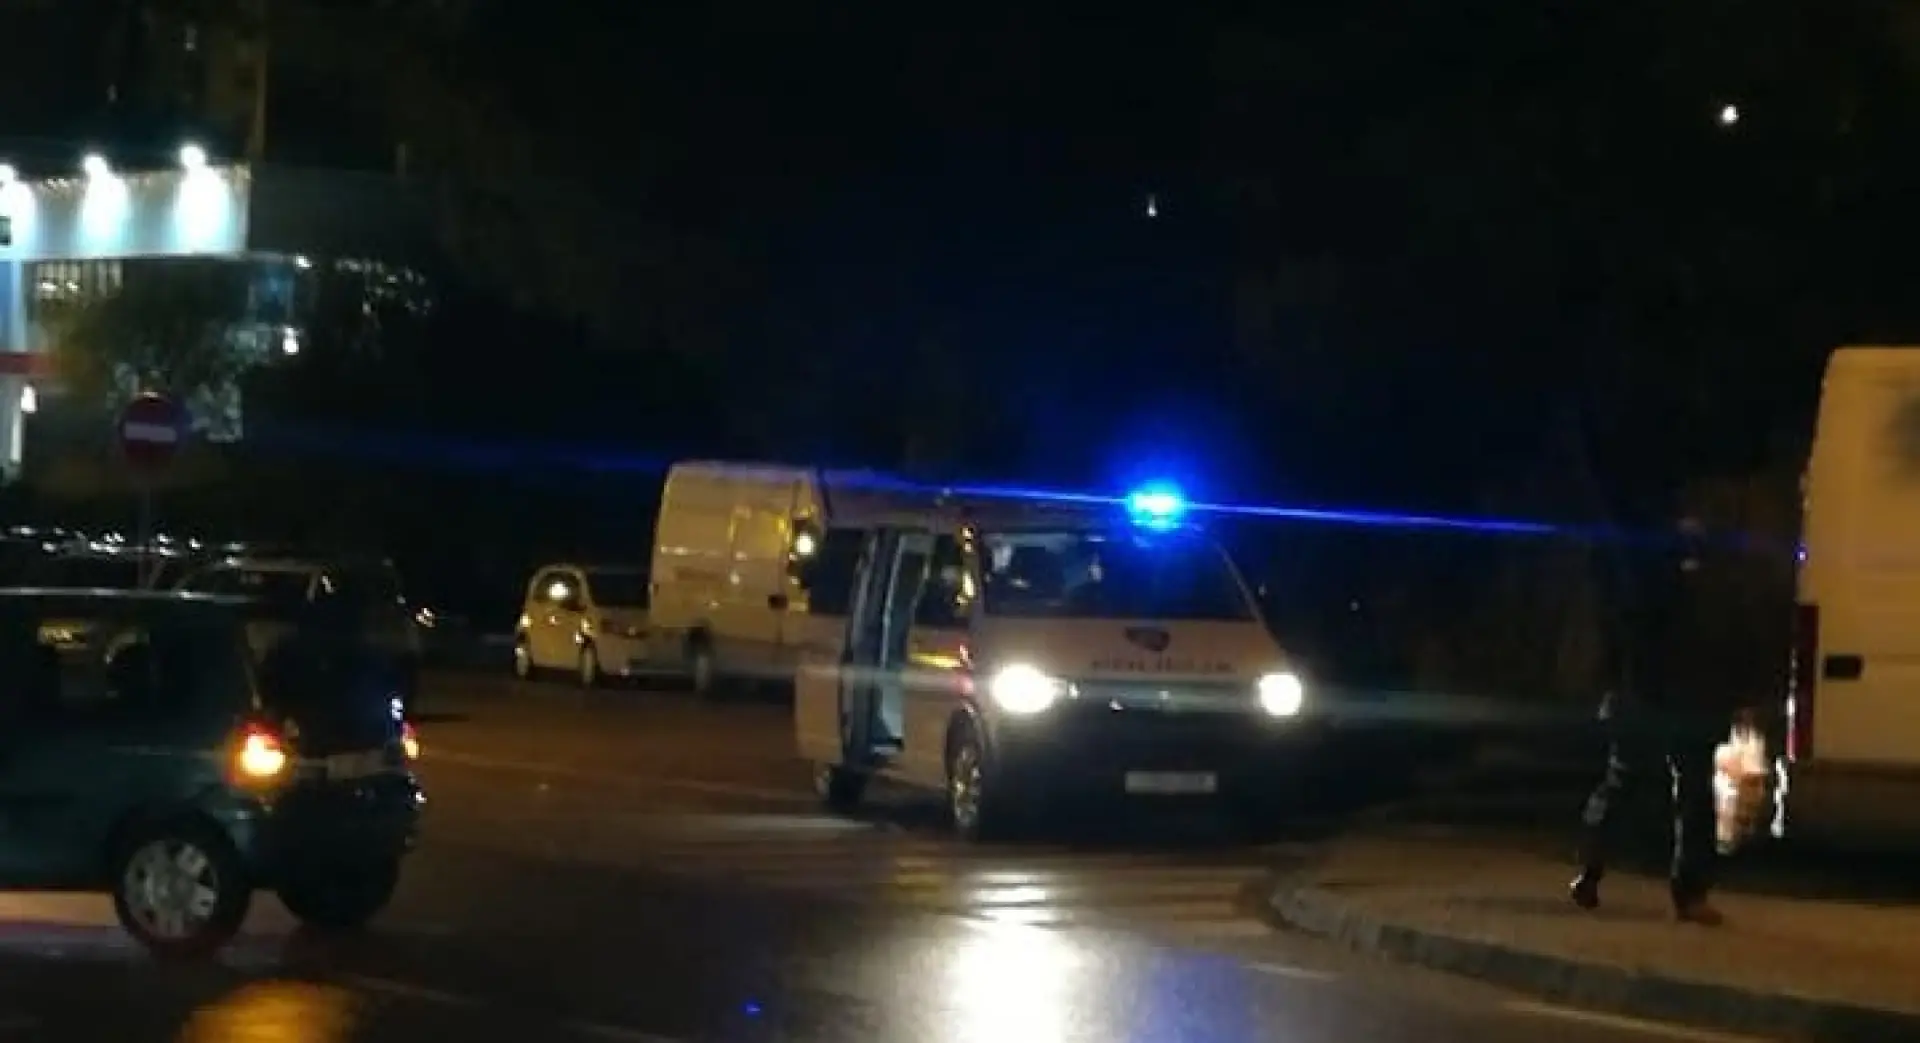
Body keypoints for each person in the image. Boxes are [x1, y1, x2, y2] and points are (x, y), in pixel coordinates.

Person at [1570, 514, 1765, 926]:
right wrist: (1739, 698)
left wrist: (1614, 690)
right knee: (1689, 798)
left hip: (1655, 699)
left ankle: (1592, 871)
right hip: (1684, 702)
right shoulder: (1714, 589)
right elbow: (1733, 643)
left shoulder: (1645, 585)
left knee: (1628, 786)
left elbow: (1622, 640)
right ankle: (1687, 894)